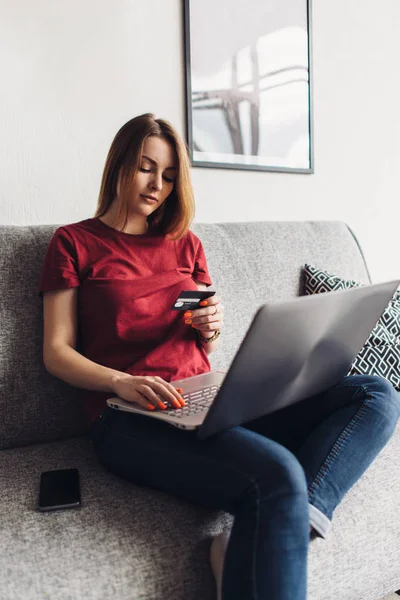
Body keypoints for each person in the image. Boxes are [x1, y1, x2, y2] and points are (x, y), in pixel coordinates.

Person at [39, 113, 400, 600]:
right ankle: (277, 523)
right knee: (276, 475)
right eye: (146, 168)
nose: (158, 185)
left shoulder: (186, 243)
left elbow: (202, 343)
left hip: (210, 398)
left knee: (375, 392)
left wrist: (209, 329)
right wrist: (119, 381)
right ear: (120, 164)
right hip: (128, 415)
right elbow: (57, 352)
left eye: (169, 176)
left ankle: (280, 528)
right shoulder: (75, 242)